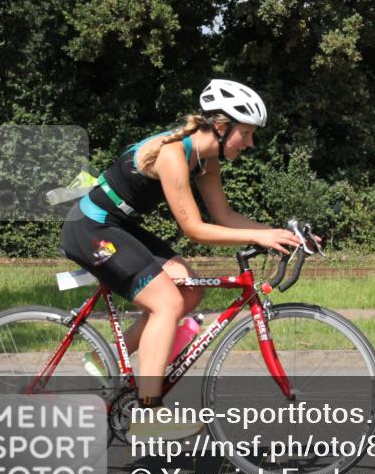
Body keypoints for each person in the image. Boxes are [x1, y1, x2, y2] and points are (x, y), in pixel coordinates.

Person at [61, 79, 301, 438]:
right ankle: (149, 415)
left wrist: (280, 234)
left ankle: (106, 358)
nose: (250, 143)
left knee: (189, 290)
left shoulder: (206, 159)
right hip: (89, 227)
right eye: (247, 133)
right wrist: (258, 235)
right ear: (222, 127)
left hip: (118, 226)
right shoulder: (173, 153)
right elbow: (195, 229)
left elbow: (224, 217)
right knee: (167, 302)